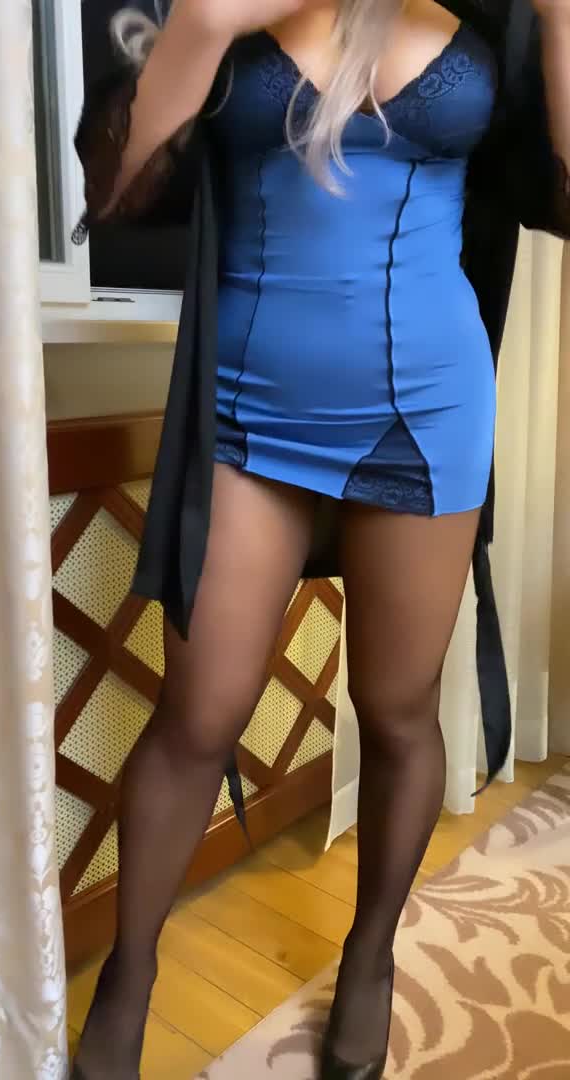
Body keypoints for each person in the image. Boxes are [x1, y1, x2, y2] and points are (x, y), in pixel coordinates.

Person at [70, 0, 570, 1077]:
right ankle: (128, 976)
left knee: (395, 709)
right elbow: (115, 188)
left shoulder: (487, 20)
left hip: (425, 408)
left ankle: (370, 955)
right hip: (248, 414)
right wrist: (206, 25)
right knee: (199, 713)